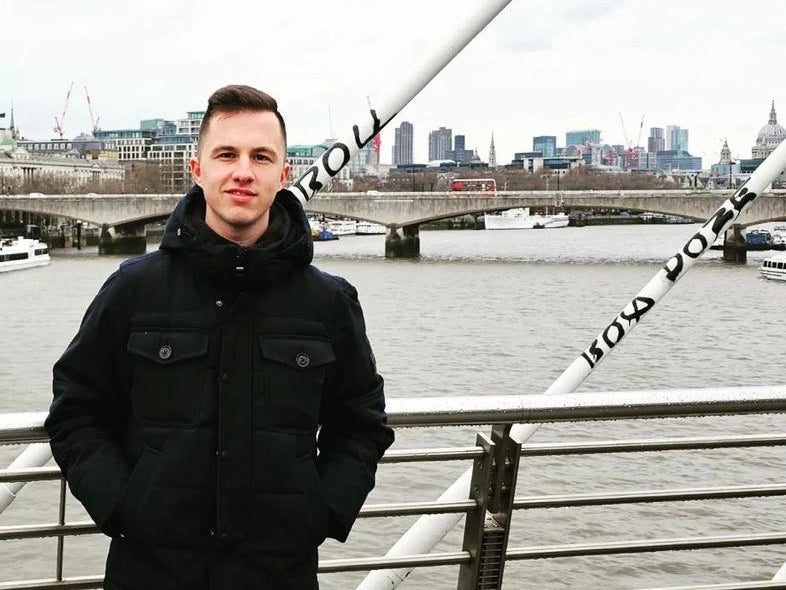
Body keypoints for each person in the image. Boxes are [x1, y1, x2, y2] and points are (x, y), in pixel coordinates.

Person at [45, 84, 394, 590]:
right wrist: (122, 506)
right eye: (226, 154)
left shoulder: (328, 302)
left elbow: (361, 423)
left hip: (279, 572)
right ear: (198, 169)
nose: (243, 171)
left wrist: (320, 513)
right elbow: (76, 408)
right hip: (153, 571)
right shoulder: (134, 289)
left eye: (261, 156)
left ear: (283, 174)